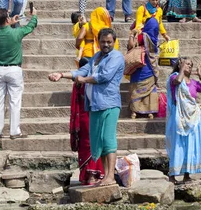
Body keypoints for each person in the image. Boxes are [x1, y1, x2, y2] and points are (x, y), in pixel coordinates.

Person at [48, 28, 125, 187]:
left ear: (114, 42)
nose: (106, 45)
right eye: (103, 42)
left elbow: (104, 76)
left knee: (108, 140)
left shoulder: (116, 57)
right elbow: (82, 70)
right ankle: (105, 175)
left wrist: (83, 80)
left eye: (109, 42)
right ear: (98, 41)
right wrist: (62, 75)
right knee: (99, 142)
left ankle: (110, 176)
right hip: (94, 104)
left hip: (109, 103)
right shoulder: (97, 57)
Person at [0, 8, 38, 139]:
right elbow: (30, 27)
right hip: (14, 69)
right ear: (7, 19)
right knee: (15, 102)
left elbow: (3, 30)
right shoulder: (17, 32)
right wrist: (34, 16)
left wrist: (9, 22)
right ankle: (14, 131)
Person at [166, 57, 201, 184]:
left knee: (191, 144)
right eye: (186, 64)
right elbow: (178, 81)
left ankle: (187, 174)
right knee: (178, 144)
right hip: (178, 116)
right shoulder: (174, 77)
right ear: (180, 65)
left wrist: (200, 75)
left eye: (190, 65)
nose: (188, 66)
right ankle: (172, 175)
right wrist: (181, 69)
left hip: (193, 117)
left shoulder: (194, 82)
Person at [71, 57, 105, 185]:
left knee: (85, 147)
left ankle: (86, 176)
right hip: (91, 116)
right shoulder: (90, 81)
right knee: (94, 145)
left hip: (81, 119)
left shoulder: (77, 82)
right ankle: (93, 176)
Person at [128, 17, 160, 119]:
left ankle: (134, 112)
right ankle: (150, 112)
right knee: (150, 89)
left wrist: (132, 34)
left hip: (140, 67)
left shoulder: (142, 36)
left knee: (137, 87)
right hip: (151, 68)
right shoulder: (155, 36)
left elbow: (131, 46)